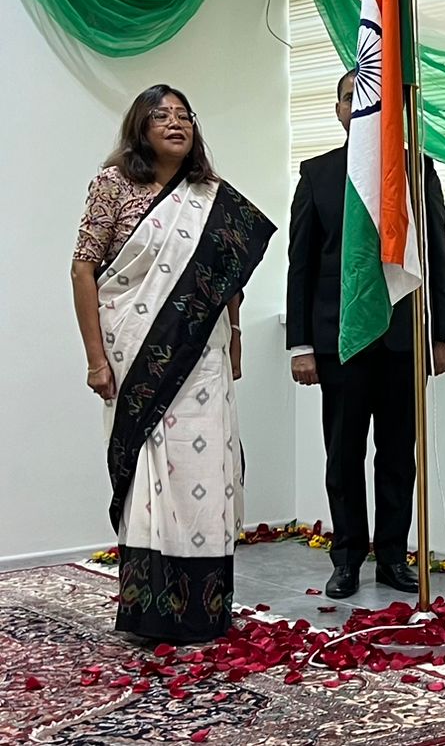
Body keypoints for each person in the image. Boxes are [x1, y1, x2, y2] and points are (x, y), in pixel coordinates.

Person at [71, 85, 274, 643]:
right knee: (148, 470)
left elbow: (225, 281)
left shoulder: (211, 195)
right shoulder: (113, 184)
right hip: (135, 352)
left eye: (184, 115)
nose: (176, 123)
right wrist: (95, 360)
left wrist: (235, 336)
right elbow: (84, 269)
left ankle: (204, 608)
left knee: (206, 469)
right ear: (140, 126)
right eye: (161, 115)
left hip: (203, 356)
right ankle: (151, 610)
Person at [285, 69, 445, 600]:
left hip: (403, 339)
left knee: (398, 454)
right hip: (339, 340)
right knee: (343, 455)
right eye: (350, 98)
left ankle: (393, 558)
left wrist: (441, 332)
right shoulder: (317, 175)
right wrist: (301, 345)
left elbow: (437, 253)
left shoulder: (416, 170)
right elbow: (301, 265)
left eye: (373, 99)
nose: (360, 107)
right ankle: (347, 559)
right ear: (339, 110)